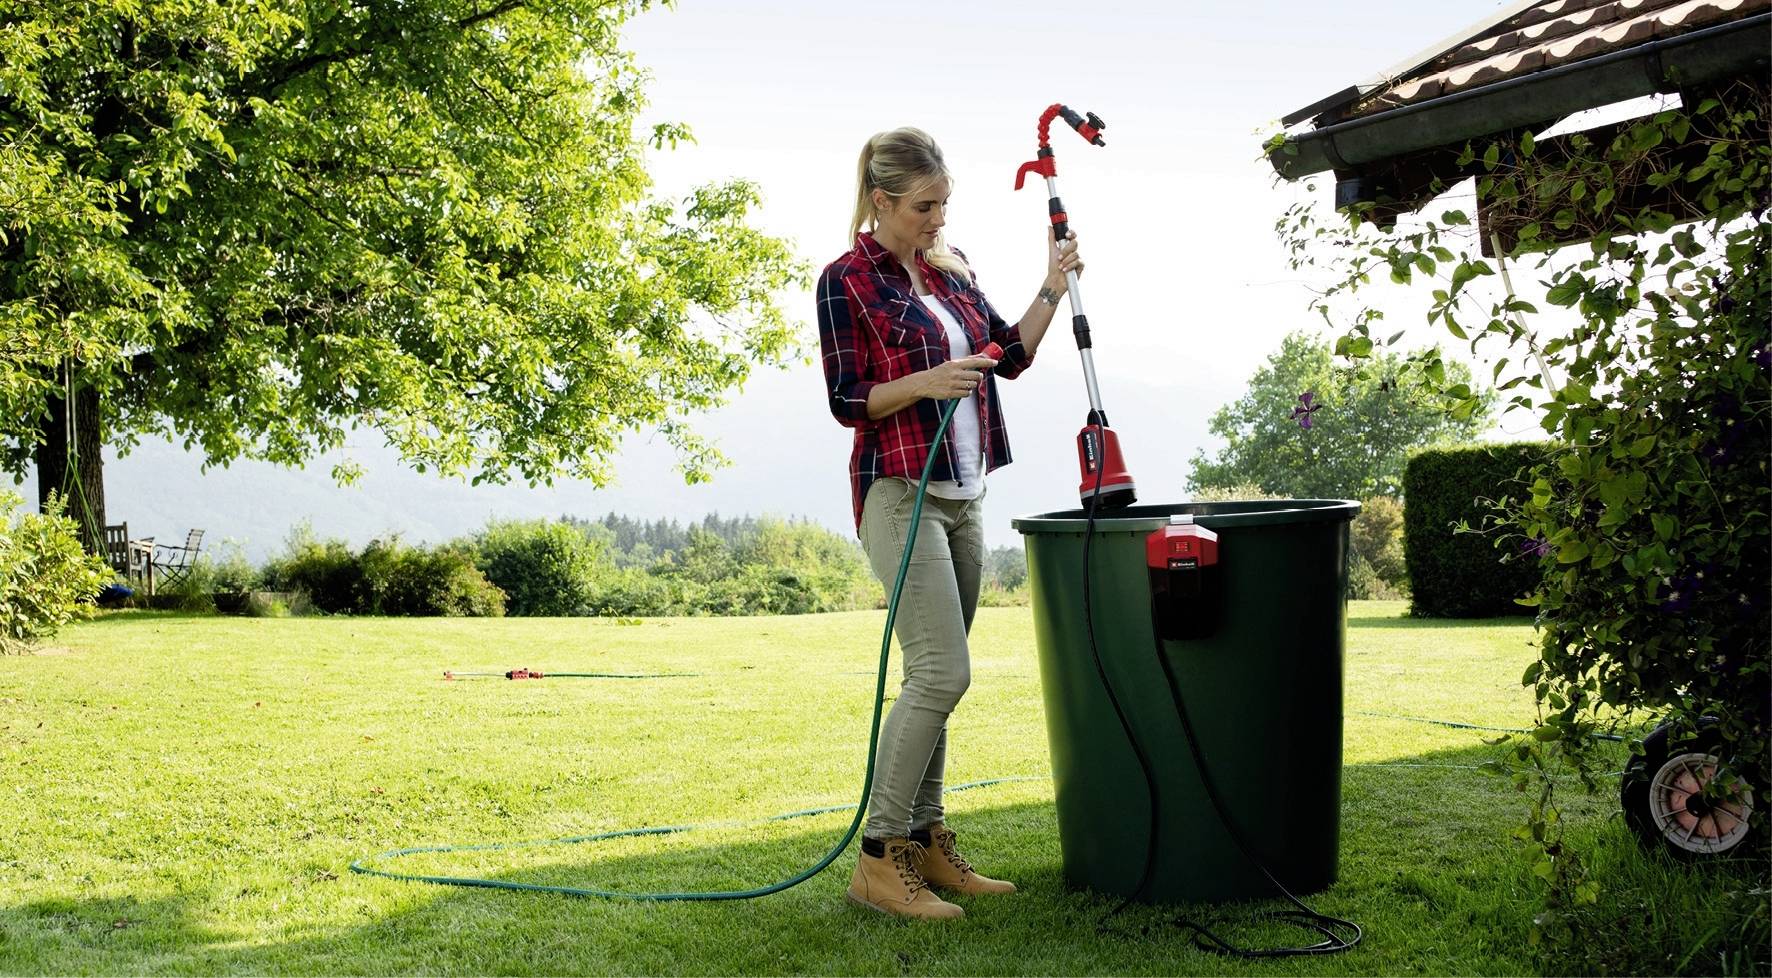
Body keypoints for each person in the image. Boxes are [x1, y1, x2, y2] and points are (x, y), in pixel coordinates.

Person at [816, 127, 1083, 920]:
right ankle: (877, 857)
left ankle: (927, 842)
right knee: (942, 673)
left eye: (944, 204)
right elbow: (846, 400)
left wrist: (1053, 284)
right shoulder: (846, 281)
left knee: (940, 677)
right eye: (925, 206)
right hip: (898, 492)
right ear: (881, 201)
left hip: (964, 492)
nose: (938, 219)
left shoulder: (949, 270)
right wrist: (926, 380)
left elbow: (1011, 355)